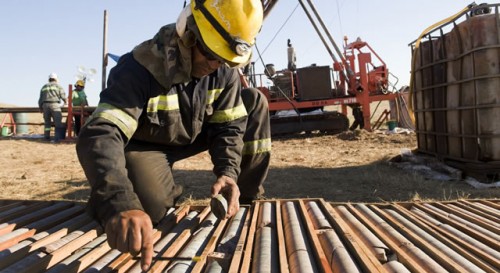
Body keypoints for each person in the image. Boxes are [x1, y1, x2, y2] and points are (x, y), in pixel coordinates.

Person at [75, 0, 270, 271]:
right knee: (146, 212)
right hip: (146, 144)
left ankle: (244, 200)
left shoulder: (223, 69)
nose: (217, 65)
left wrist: (228, 172)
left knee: (254, 101)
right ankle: (117, 199)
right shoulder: (138, 67)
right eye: (212, 54)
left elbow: (230, 126)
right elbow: (100, 133)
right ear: (188, 33)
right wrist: (119, 202)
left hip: (193, 132)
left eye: (225, 59)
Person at [38, 72, 67, 141]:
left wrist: (40, 107)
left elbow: (40, 98)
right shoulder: (58, 86)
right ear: (56, 79)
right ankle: (57, 137)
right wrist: (66, 102)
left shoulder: (44, 86)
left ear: (49, 79)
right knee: (57, 122)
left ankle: (46, 137)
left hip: (45, 105)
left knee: (47, 123)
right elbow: (63, 95)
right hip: (55, 105)